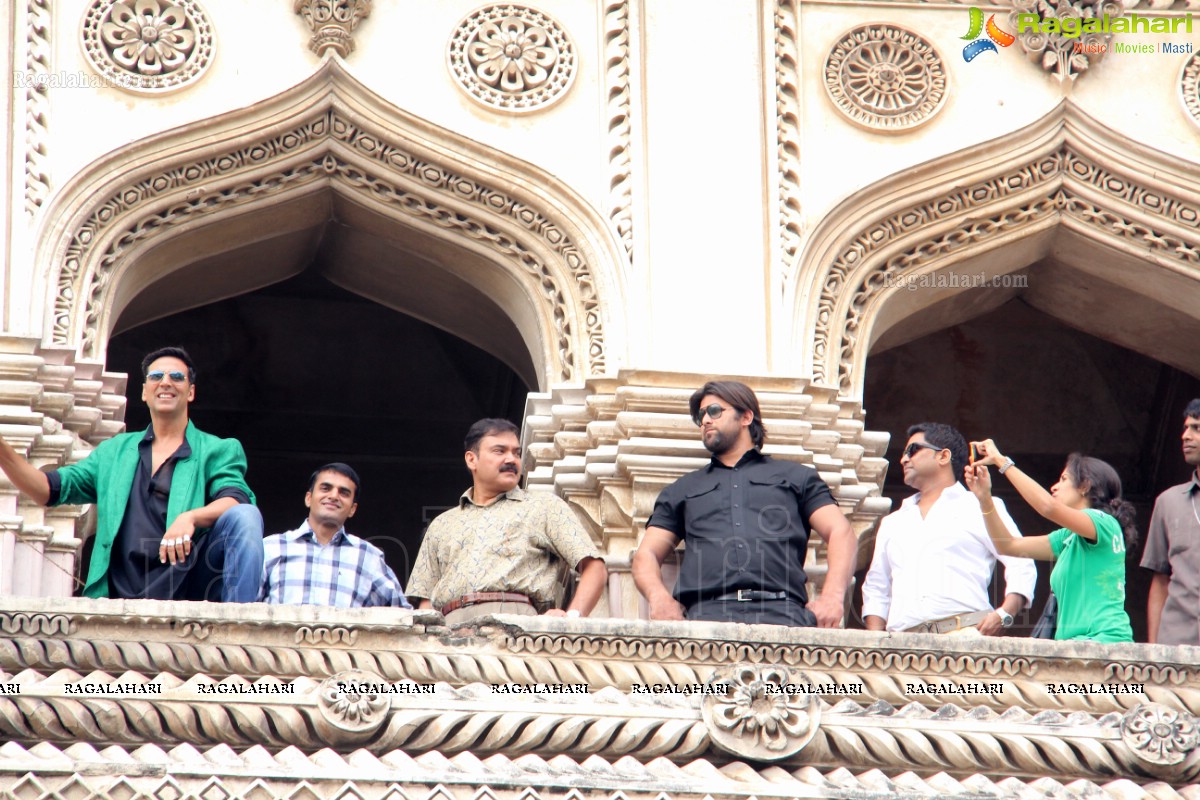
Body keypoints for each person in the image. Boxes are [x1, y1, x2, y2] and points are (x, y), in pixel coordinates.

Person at [0, 346, 263, 601]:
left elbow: (237, 500)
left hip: (187, 585)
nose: (166, 383)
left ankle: (239, 623)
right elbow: (47, 489)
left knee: (246, 516)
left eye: (177, 377)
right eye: (156, 377)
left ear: (191, 392)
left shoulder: (216, 449)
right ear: (144, 392)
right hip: (121, 589)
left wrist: (190, 517)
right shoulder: (114, 452)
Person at [632, 380, 858, 627]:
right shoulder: (682, 489)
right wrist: (659, 598)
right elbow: (647, 554)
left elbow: (841, 531)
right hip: (705, 619)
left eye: (715, 411)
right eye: (701, 416)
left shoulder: (796, 477)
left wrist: (833, 598)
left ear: (746, 417)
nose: (706, 419)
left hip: (784, 616)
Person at [407, 418, 607, 624]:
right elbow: (425, 603)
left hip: (518, 630)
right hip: (449, 632)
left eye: (516, 453)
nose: (511, 459)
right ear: (471, 459)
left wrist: (570, 618)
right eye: (499, 451)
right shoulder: (441, 525)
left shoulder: (543, 506)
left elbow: (595, 567)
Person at [862, 423, 1035, 635]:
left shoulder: (981, 505)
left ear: (943, 456)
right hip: (900, 647)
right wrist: (876, 643)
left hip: (965, 637)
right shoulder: (893, 522)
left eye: (913, 450)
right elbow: (876, 587)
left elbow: (1021, 560)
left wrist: (1005, 613)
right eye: (904, 453)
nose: (904, 459)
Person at [966, 439, 1134, 643]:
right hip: (1075, 646)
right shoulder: (1068, 537)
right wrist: (985, 498)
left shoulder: (1104, 523)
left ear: (1085, 486)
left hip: (1104, 642)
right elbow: (1007, 545)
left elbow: (1047, 507)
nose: (1054, 487)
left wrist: (1002, 462)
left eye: (1063, 479)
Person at [259, 463, 412, 608]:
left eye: (343, 493)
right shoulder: (272, 547)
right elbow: (240, 608)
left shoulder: (367, 556)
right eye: (326, 488)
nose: (334, 496)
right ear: (308, 498)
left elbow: (404, 617)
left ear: (352, 509)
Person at [1141, 398, 1200, 645]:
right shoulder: (1168, 502)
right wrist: (1155, 653)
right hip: (1176, 646)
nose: (1185, 436)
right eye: (1186, 428)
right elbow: (1160, 580)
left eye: (1196, 428)